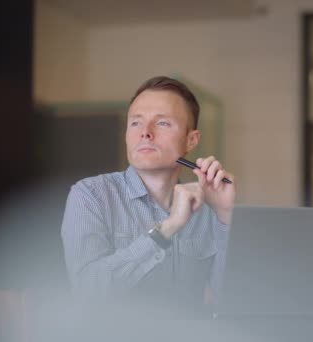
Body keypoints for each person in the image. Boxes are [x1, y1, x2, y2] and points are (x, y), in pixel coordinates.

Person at [60, 76, 235, 312]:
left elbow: (233, 301)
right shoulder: (91, 195)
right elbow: (87, 292)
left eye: (162, 123)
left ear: (191, 140)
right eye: (135, 123)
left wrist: (225, 216)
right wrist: (166, 229)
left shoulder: (209, 208)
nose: (145, 133)